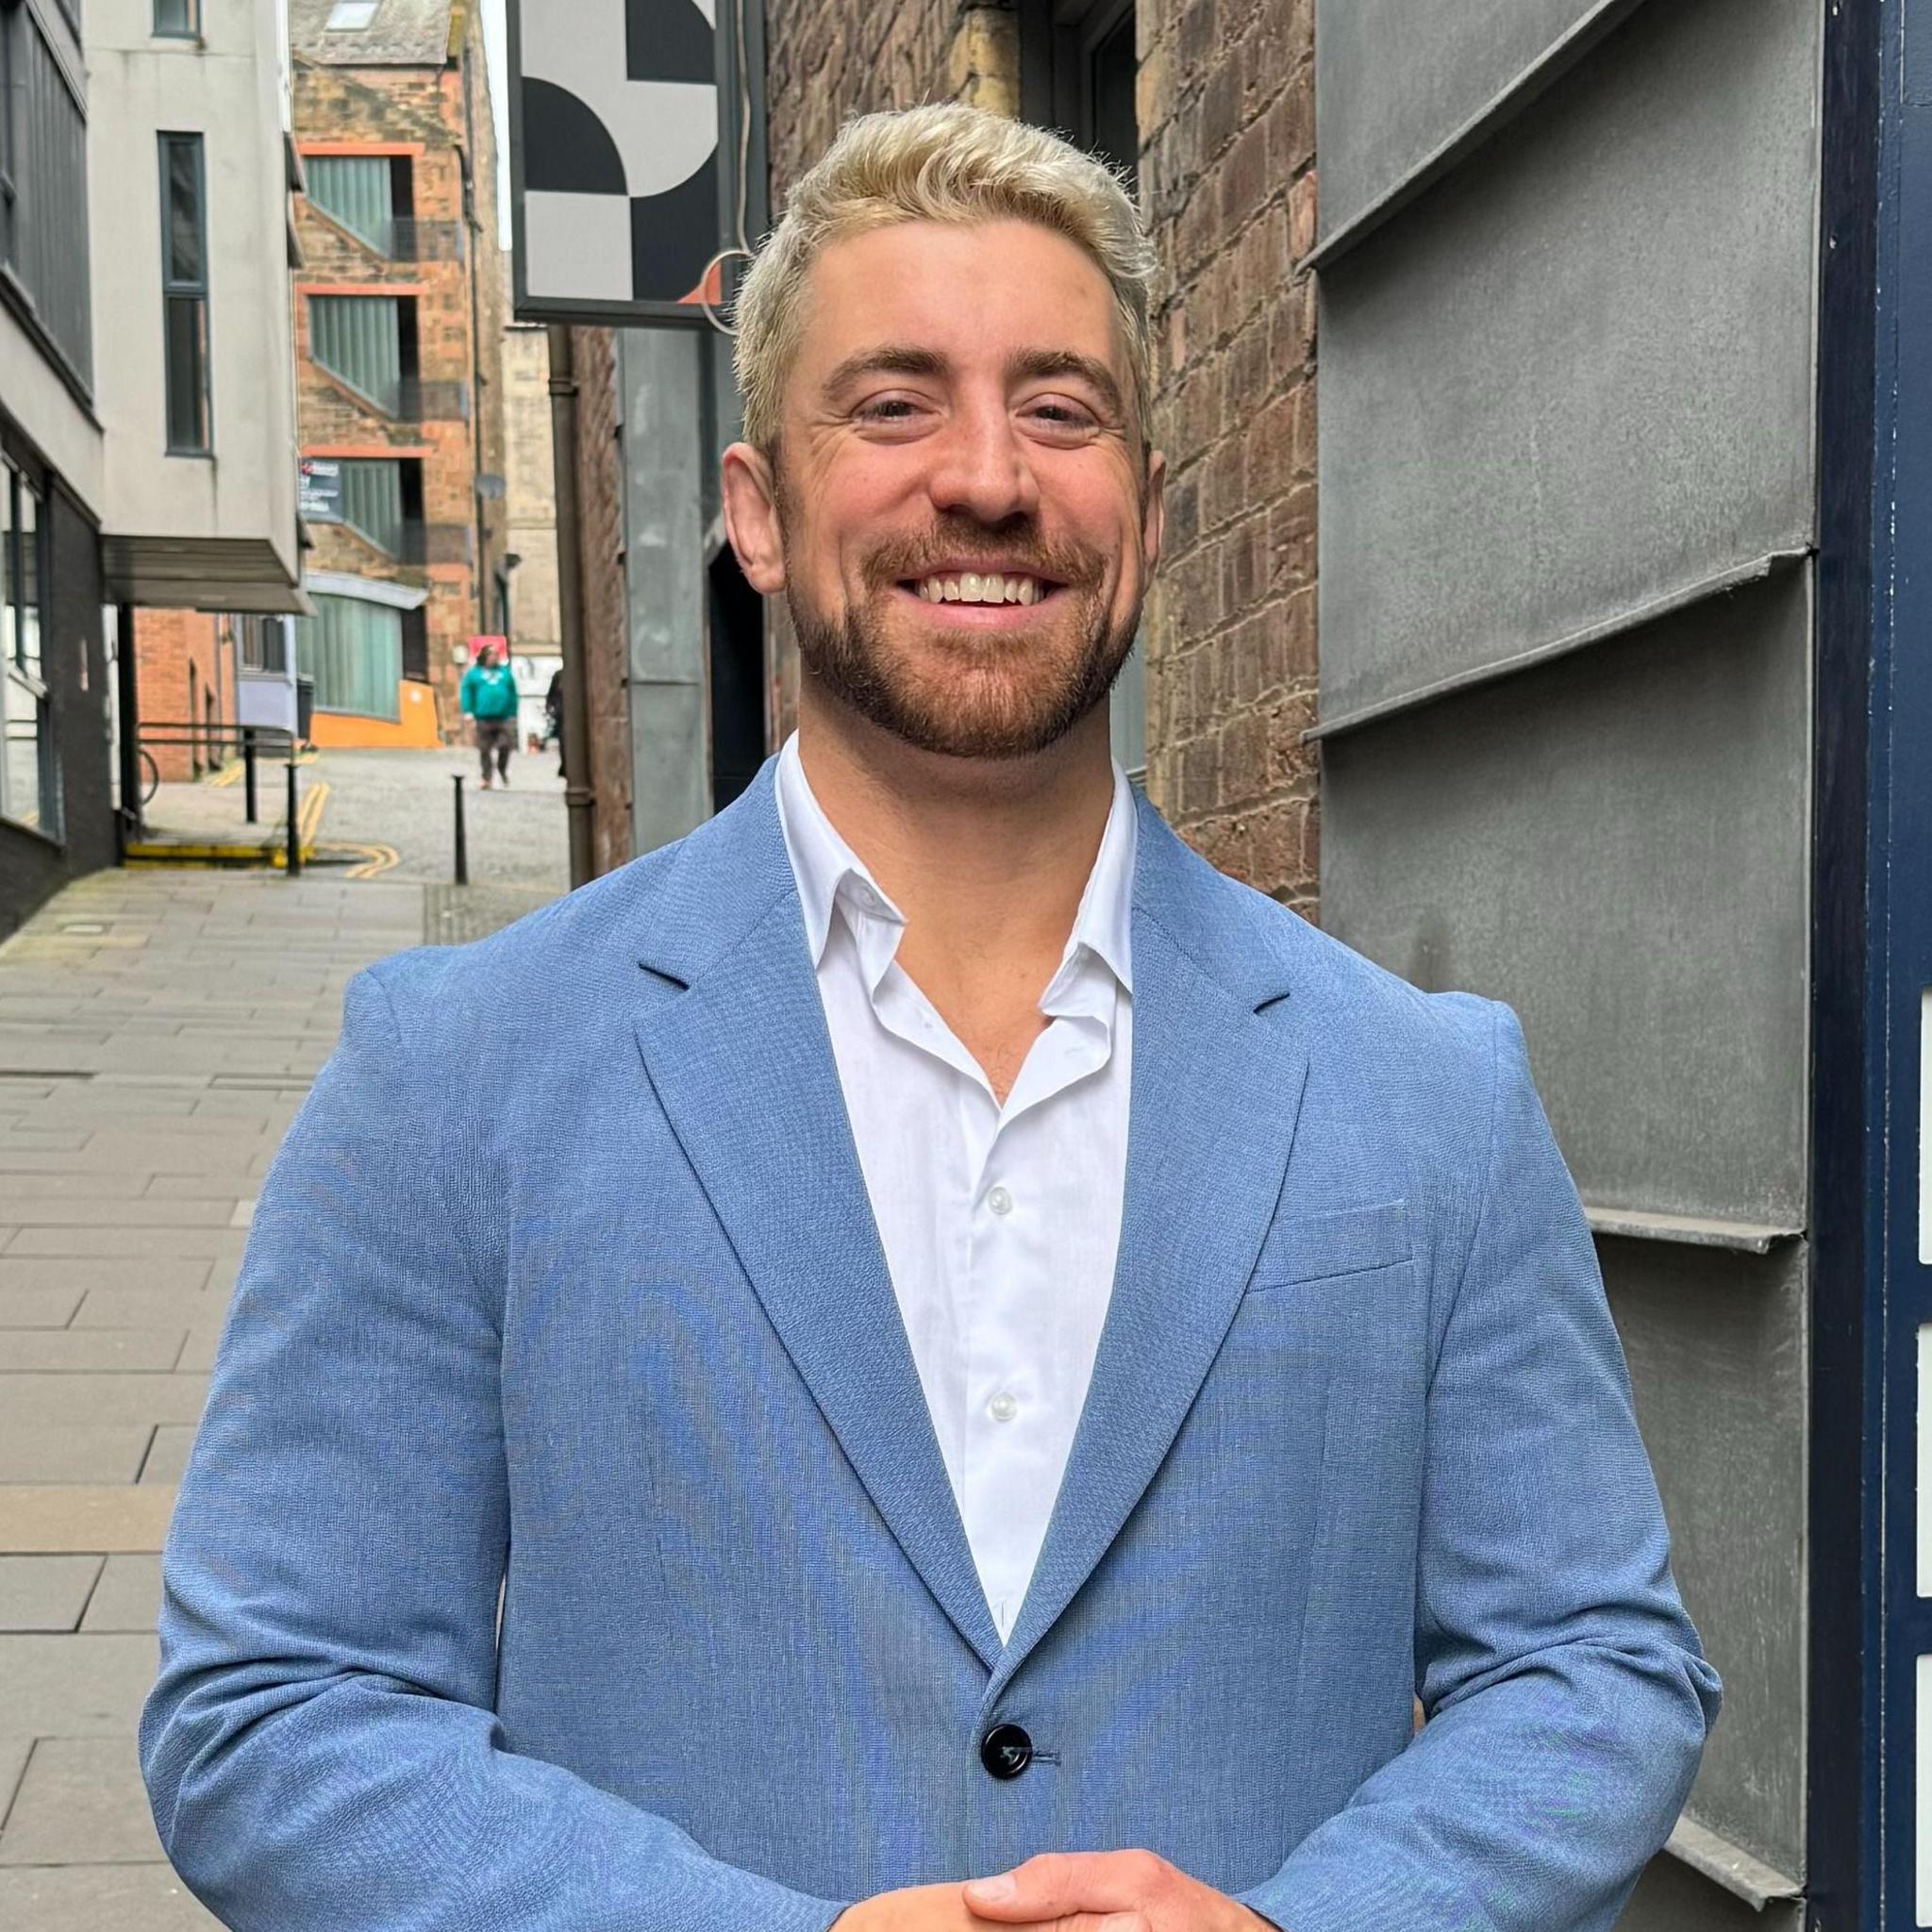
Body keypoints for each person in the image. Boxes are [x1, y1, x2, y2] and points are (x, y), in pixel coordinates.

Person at [141, 104, 1717, 1932]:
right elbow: (273, 1712)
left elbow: (1595, 1668)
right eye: (892, 405)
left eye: (1060, 408)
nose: (987, 475)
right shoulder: (455, 1077)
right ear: (753, 506)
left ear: (1141, 493)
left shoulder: (1428, 1097)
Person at [460, 641, 519, 789]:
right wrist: (468, 711)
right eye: (492, 655)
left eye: (496, 655)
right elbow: (467, 692)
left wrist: (513, 711)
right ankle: (487, 777)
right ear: (484, 657)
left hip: (504, 716)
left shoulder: (505, 673)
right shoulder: (474, 674)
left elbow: (512, 692)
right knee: (484, 749)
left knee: (506, 745)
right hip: (483, 717)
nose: (495, 658)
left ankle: (502, 768)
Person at [543, 663, 565, 775]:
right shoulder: (559, 675)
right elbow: (551, 694)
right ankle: (565, 765)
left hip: (566, 713)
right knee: (564, 741)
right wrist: (549, 707)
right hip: (562, 715)